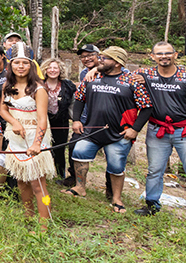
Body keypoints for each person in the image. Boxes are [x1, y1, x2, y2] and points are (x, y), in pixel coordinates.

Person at [133, 42, 186, 229]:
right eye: (159, 54)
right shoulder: (145, 74)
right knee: (155, 170)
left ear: (176, 55)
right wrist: (93, 71)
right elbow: (117, 73)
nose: (164, 57)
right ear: (152, 56)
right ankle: (151, 205)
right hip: (157, 129)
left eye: (168, 53)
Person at [65, 46, 152, 214]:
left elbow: (146, 107)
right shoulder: (92, 77)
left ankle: (116, 198)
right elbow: (79, 99)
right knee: (79, 154)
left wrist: (135, 129)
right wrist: (76, 120)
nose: (100, 60)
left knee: (116, 167)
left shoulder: (131, 80)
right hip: (91, 131)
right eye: (101, 57)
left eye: (105, 58)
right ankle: (79, 187)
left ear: (118, 63)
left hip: (119, 134)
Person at [0, 43, 55, 220]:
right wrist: (14, 122)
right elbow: (2, 109)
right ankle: (29, 216)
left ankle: (44, 223)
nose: (20, 67)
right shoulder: (7, 85)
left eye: (25, 63)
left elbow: (43, 119)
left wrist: (37, 143)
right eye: (16, 63)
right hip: (16, 138)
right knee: (21, 182)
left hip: (35, 137)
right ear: (10, 65)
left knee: (38, 184)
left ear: (31, 65)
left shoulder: (38, 88)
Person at [40, 58, 77, 186]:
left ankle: (60, 174)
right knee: (43, 147)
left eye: (55, 68)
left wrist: (75, 119)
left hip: (61, 121)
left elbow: (73, 104)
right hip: (43, 120)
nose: (52, 70)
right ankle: (42, 173)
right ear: (45, 69)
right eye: (49, 67)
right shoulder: (39, 84)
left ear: (60, 69)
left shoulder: (68, 86)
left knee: (60, 148)